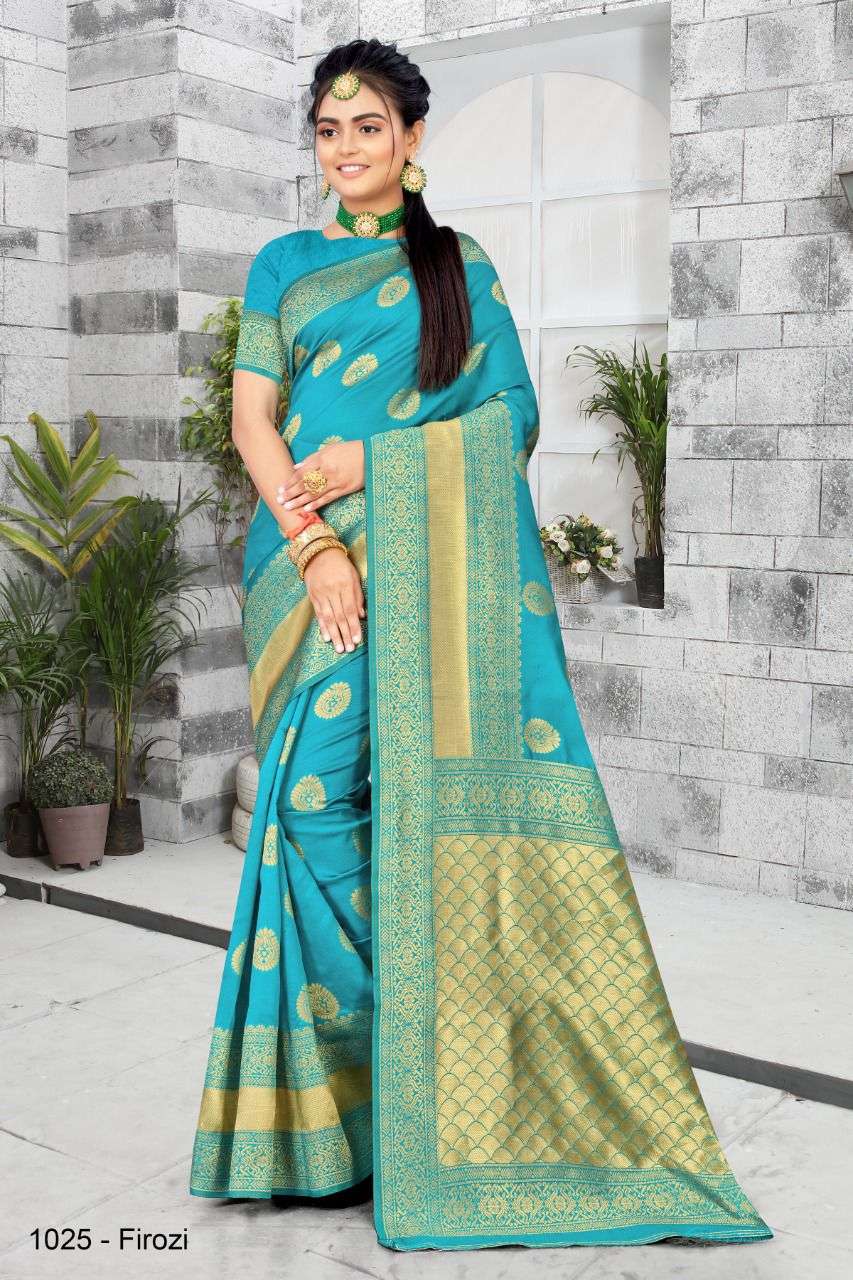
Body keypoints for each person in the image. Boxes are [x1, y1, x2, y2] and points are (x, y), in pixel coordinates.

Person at [188, 36, 774, 1255]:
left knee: (360, 809)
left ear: (411, 139)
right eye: (327, 130)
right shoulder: (284, 263)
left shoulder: (458, 268)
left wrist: (374, 463)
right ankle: (371, 1100)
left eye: (367, 127)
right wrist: (316, 541)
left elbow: (508, 417)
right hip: (305, 571)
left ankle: (423, 1088)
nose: (344, 149)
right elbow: (252, 422)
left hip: (421, 566)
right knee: (305, 811)